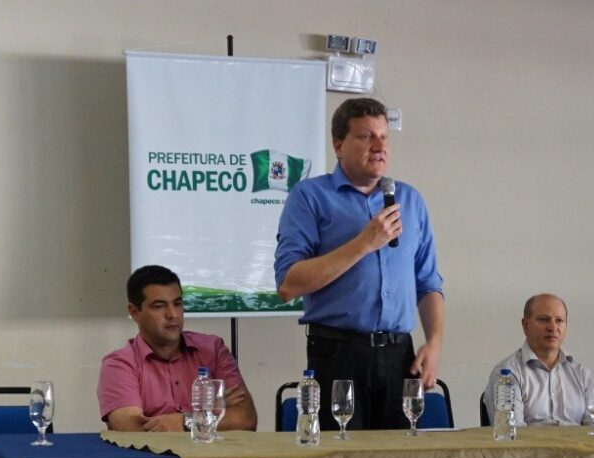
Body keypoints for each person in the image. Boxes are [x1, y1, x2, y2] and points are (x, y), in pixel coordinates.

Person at [274, 97, 444, 430]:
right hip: (338, 353)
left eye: (384, 137)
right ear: (338, 145)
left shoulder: (410, 200)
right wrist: (365, 243)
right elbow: (288, 284)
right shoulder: (310, 197)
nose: (379, 146)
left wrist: (435, 341)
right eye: (366, 136)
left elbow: (428, 283)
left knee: (400, 456)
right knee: (342, 453)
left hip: (399, 355)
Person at [98, 265, 257, 432]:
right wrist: (209, 414)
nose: (172, 314)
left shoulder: (213, 349)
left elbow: (245, 420)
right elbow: (131, 427)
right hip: (154, 451)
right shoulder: (119, 364)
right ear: (135, 312)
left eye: (177, 304)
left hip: (209, 449)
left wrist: (185, 421)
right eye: (159, 306)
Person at [484, 294, 594, 426]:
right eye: (544, 319)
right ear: (526, 326)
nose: (552, 327)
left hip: (576, 440)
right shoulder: (506, 374)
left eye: (559, 320)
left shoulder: (581, 374)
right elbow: (512, 431)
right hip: (529, 441)